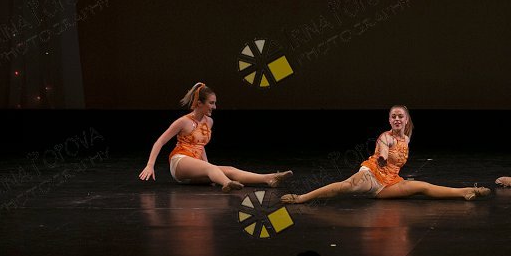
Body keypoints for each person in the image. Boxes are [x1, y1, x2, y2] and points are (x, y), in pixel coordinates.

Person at [280, 105, 491, 203]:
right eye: (393, 116)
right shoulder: (386, 137)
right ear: (389, 120)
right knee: (345, 186)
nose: (397, 119)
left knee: (422, 187)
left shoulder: (406, 138)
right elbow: (383, 148)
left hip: (388, 184)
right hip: (372, 175)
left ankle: (465, 191)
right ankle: (302, 198)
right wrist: (381, 158)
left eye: (400, 116)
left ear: (406, 120)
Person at [139, 82, 292, 191]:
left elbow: (201, 147)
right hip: (180, 161)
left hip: (196, 166)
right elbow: (160, 141)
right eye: (211, 103)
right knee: (212, 169)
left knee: (229, 169)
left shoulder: (209, 122)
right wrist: (150, 165)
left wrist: (209, 170)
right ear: (199, 103)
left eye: (215, 103)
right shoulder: (183, 122)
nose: (214, 107)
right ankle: (226, 183)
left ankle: (269, 178)